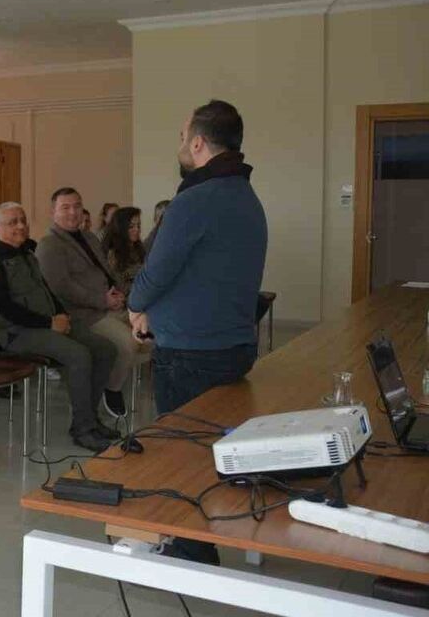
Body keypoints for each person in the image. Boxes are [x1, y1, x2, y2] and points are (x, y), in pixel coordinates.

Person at [128, 102, 266, 567]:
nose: (181, 143)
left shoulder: (194, 200)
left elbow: (157, 271)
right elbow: (207, 277)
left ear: (198, 142)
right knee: (208, 449)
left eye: (183, 134)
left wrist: (137, 305)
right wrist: (156, 311)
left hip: (191, 354)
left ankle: (191, 552)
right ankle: (205, 535)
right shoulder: (245, 195)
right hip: (232, 345)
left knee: (181, 456)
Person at [0, 203, 119, 452]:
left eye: (23, 220)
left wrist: (61, 314)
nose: (21, 226)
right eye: (13, 222)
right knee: (79, 355)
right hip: (16, 332)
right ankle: (83, 429)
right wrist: (49, 323)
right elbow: (4, 307)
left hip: (48, 324)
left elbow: (46, 291)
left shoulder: (27, 253)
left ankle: (91, 418)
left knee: (106, 349)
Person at [36, 188, 139, 419]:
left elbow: (108, 271)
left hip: (109, 304)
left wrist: (122, 294)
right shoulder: (49, 244)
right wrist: (102, 300)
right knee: (128, 343)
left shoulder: (90, 238)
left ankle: (110, 378)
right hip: (82, 314)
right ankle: (112, 388)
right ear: (53, 212)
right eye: (65, 207)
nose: (73, 212)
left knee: (148, 334)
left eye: (77, 206)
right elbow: (61, 287)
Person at [102, 207, 147, 296]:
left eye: (138, 226)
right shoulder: (113, 253)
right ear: (121, 228)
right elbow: (119, 285)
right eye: (131, 227)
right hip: (128, 297)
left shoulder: (139, 248)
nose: (137, 229)